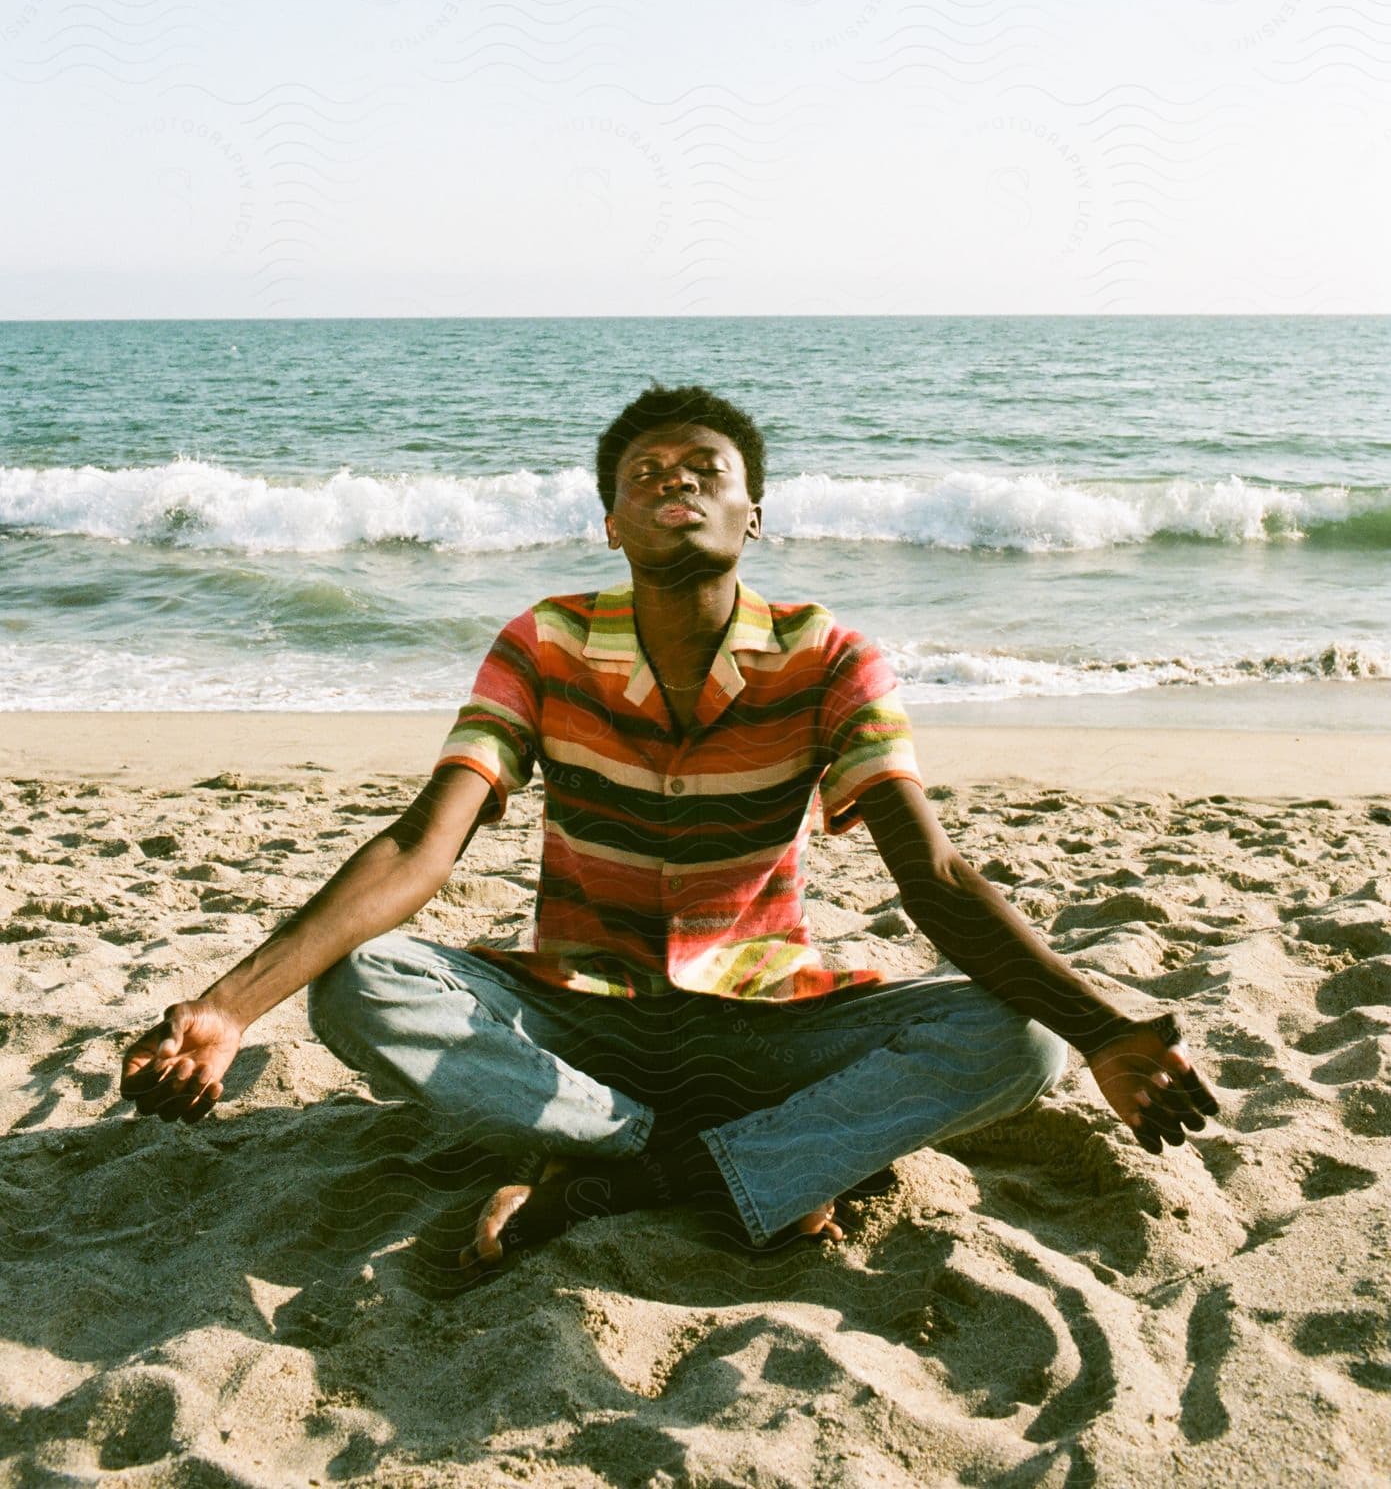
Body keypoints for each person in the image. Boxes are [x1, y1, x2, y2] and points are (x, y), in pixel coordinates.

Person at [121, 384, 1218, 1283]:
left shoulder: (828, 657)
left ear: (753, 516)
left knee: (1015, 1036)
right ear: (610, 522)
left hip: (763, 1030)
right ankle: (711, 1168)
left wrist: (1103, 1029)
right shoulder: (544, 643)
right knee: (358, 983)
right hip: (575, 1026)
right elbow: (424, 845)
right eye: (645, 474)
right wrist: (223, 1010)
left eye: (706, 469)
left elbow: (933, 874)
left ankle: (616, 1174)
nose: (675, 482)